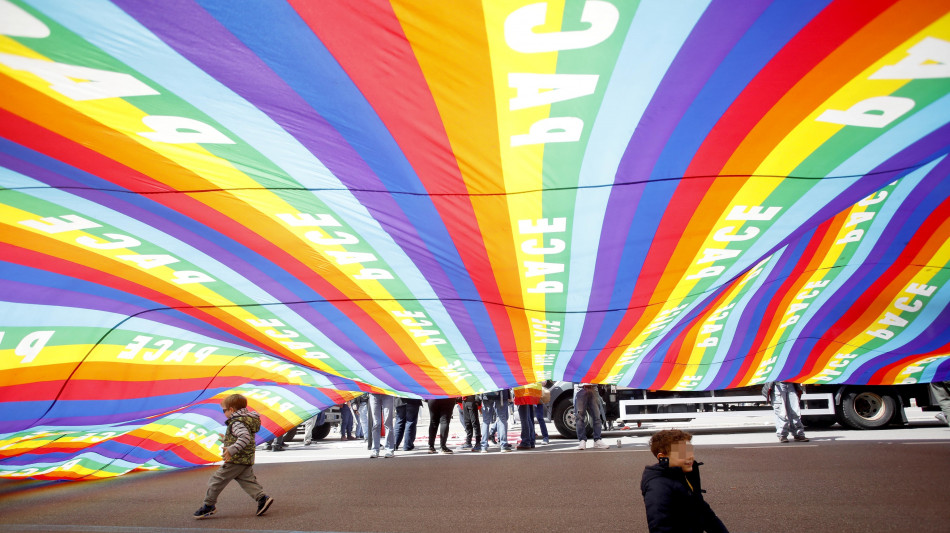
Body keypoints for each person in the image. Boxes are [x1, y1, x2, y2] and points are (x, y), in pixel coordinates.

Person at [194, 394, 274, 519]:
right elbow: (243, 436)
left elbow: (244, 437)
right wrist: (227, 440)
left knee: (216, 481)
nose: (224, 413)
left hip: (236, 460)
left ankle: (209, 505)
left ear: (231, 410)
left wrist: (231, 449)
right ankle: (262, 498)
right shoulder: (246, 419)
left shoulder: (236, 422)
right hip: (245, 458)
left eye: (224, 410)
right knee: (247, 480)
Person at [641, 429, 728, 533]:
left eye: (690, 451)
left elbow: (705, 514)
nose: (690, 456)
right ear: (662, 457)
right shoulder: (658, 487)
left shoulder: (683, 475)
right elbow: (660, 528)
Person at [574, 383, 609, 450]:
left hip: (593, 387)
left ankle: (597, 440)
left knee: (597, 416)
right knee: (580, 417)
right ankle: (582, 440)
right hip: (580, 387)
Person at [513, 383, 543, 449]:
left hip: (521, 392)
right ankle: (531, 440)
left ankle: (526, 441)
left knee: (524, 419)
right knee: (527, 418)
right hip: (527, 392)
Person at [367, 393, 395, 458]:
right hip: (374, 393)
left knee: (388, 422)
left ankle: (389, 449)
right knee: (376, 423)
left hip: (387, 392)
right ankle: (375, 449)